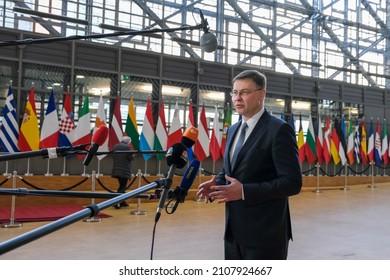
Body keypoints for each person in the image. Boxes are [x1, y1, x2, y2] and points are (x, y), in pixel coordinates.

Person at [197, 69, 302, 260]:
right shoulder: (233, 129)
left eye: (244, 92)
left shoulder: (279, 130)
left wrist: (244, 191)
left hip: (265, 235)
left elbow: (292, 182)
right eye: (234, 92)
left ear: (261, 94)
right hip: (233, 233)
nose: (237, 98)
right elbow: (232, 168)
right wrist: (217, 183)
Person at [111, 136, 134, 209]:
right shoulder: (127, 147)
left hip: (116, 169)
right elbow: (131, 158)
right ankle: (115, 202)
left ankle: (122, 202)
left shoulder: (115, 146)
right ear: (128, 142)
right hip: (124, 170)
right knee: (122, 187)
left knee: (122, 185)